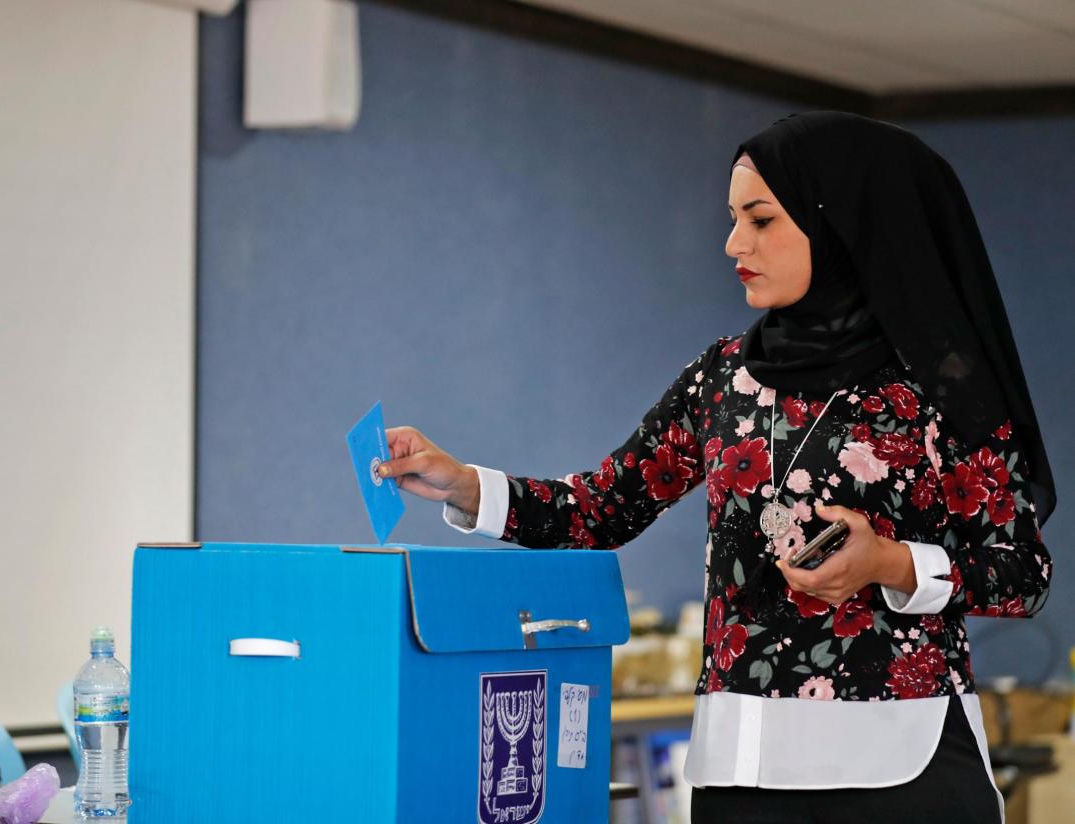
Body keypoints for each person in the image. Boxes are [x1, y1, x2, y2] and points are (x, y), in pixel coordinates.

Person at [379, 111, 1054, 824]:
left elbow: (1022, 575)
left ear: (841, 225)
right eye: (733, 219)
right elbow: (601, 507)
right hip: (741, 761)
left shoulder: (938, 388)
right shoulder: (722, 377)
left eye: (761, 220)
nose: (734, 244)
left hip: (901, 755)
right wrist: (464, 484)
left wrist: (889, 563)